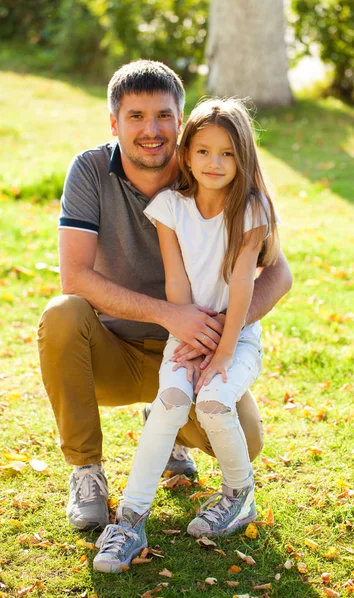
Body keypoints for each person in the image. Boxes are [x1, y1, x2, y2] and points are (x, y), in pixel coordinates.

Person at [37, 60, 292, 533]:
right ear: (114, 122)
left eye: (163, 116)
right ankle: (87, 470)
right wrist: (171, 315)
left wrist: (219, 338)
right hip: (117, 350)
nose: (151, 130)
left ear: (181, 120)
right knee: (62, 315)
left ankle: (173, 429)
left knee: (246, 442)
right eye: (136, 116)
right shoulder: (90, 170)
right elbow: (73, 276)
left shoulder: (207, 167)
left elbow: (279, 275)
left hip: (196, 351)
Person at [93, 97, 281, 573]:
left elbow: (243, 284)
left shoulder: (251, 209)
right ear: (186, 153)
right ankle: (131, 519)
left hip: (236, 336)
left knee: (215, 402)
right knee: (171, 403)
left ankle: (240, 496)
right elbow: (176, 281)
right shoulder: (170, 207)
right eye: (202, 151)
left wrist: (218, 352)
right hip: (187, 327)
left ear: (244, 158)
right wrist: (189, 337)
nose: (213, 163)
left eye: (227, 153)